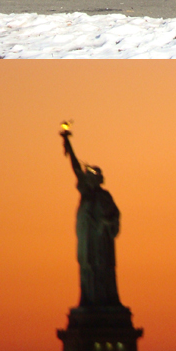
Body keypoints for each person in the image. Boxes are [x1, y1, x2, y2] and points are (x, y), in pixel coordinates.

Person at [60, 127, 122, 307]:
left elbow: (115, 215)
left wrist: (107, 222)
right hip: (88, 237)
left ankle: (106, 300)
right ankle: (89, 299)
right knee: (88, 266)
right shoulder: (87, 194)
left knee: (103, 268)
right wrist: (68, 144)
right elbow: (76, 167)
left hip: (102, 240)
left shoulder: (105, 197)